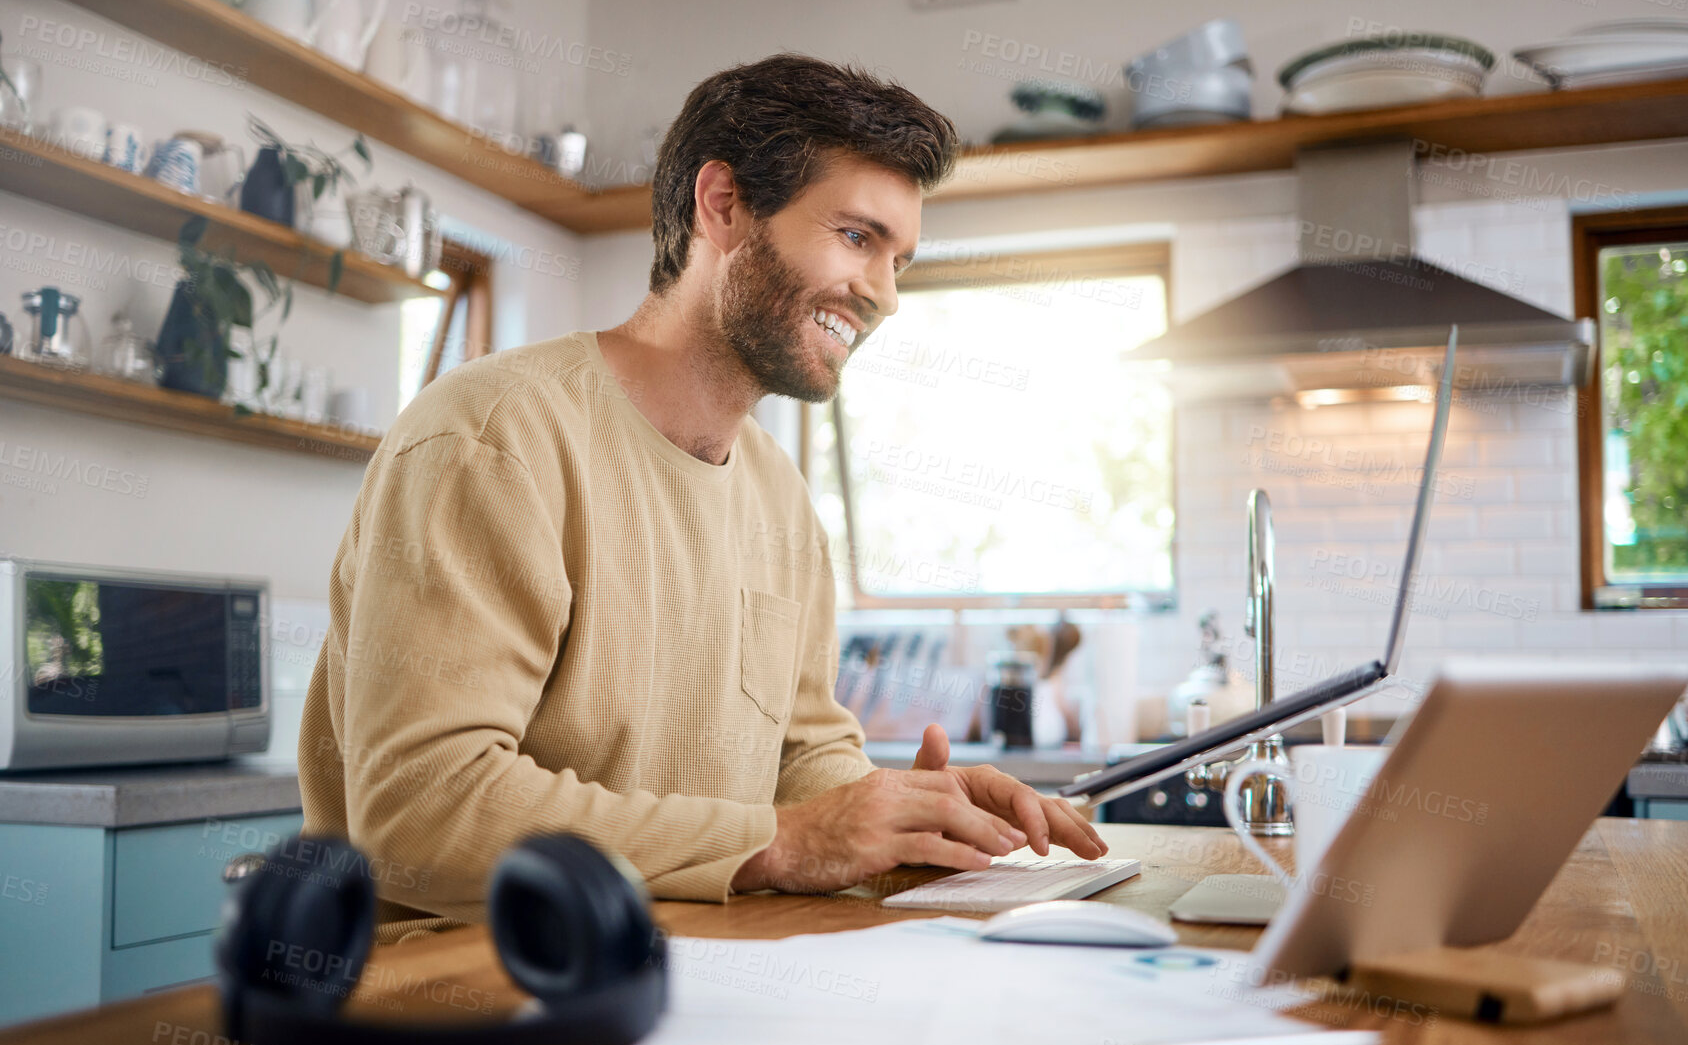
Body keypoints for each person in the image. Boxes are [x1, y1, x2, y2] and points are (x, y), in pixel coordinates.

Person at [298, 53, 1106, 943]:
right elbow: (422, 810)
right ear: (721, 204)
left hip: (695, 973)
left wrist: (908, 816)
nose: (881, 295)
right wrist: (785, 842)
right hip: (466, 993)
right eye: (855, 237)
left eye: (899, 261)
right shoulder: (493, 436)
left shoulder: (780, 499)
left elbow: (802, 752)